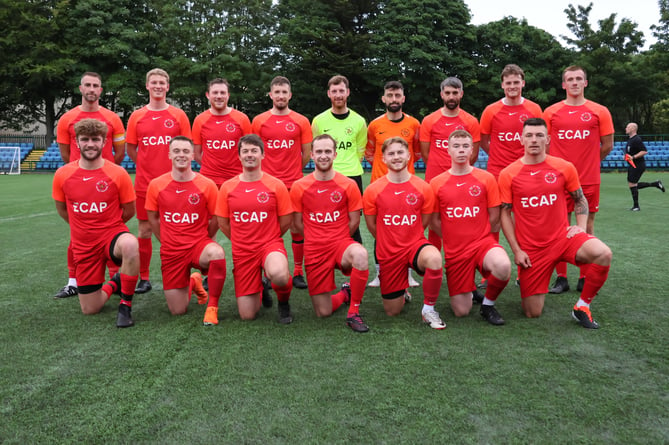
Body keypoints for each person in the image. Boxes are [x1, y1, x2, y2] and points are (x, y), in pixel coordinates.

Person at [499, 118, 612, 329]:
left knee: (603, 253)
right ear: (521, 139)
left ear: (547, 139)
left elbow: (579, 198)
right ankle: (534, 281)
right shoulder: (508, 174)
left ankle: (582, 306)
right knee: (533, 313)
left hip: (563, 238)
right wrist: (516, 250)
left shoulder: (564, 167)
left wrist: (580, 225)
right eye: (529, 135)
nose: (534, 140)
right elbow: (505, 214)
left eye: (539, 135)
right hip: (532, 249)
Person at [52, 118, 139, 327]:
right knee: (91, 309)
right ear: (77, 143)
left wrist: (107, 226)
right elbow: (63, 210)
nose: (90, 144)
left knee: (130, 244)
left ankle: (125, 306)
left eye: (95, 139)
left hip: (111, 236)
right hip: (84, 246)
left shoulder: (118, 173)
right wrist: (84, 228)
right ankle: (114, 283)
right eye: (85, 139)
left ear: (104, 142)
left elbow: (129, 211)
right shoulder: (62, 175)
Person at [53, 72, 126, 299]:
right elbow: (66, 154)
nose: (91, 89)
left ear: (101, 90)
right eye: (88, 85)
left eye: (95, 85)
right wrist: (78, 172)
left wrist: (107, 171)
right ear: (80, 88)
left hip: (107, 181)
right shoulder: (67, 119)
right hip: (78, 181)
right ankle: (73, 281)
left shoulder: (113, 118)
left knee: (114, 231)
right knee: (77, 232)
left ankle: (117, 279)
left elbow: (120, 152)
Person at [543, 65, 614, 294]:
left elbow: (607, 145)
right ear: (563, 84)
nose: (574, 82)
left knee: (587, 227)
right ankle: (561, 278)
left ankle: (584, 276)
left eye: (578, 79)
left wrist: (589, 162)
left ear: (585, 82)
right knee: (559, 228)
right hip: (557, 181)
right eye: (570, 79)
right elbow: (545, 144)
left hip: (588, 179)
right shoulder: (551, 112)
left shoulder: (599, 111)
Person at [362, 137, 446, 329]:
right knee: (392, 311)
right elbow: (372, 225)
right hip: (389, 252)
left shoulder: (423, 187)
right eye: (391, 153)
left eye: (400, 152)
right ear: (383, 158)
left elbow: (425, 221)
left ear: (409, 155)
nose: (396, 157)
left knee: (433, 258)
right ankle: (402, 291)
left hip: (414, 245)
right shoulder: (373, 190)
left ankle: (428, 309)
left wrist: (409, 236)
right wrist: (390, 239)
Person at [290, 134, 370, 332]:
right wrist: (316, 237)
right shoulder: (300, 186)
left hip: (340, 244)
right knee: (322, 311)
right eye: (319, 152)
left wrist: (337, 238)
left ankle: (353, 313)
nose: (323, 156)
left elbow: (354, 221)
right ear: (311, 155)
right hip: (314, 248)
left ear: (335, 154)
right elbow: (297, 224)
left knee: (360, 254)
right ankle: (345, 294)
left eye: (327, 151)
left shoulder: (348, 185)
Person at [430, 130, 510, 325]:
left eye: (466, 146)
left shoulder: (486, 178)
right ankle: (470, 289)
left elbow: (494, 216)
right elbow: (434, 221)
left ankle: (488, 305)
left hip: (482, 244)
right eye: (456, 146)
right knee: (461, 311)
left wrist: (479, 235)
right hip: (456, 251)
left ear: (472, 150)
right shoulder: (436, 183)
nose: (461, 150)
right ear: (448, 150)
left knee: (503, 265)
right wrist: (453, 238)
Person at [145, 136, 227, 325]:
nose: (181, 155)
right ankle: (195, 282)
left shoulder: (206, 184)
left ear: (192, 155)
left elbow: (216, 217)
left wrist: (206, 237)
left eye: (185, 151)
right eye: (176, 151)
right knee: (177, 310)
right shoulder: (156, 185)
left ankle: (212, 308)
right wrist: (165, 240)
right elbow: (152, 217)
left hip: (198, 245)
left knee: (216, 252)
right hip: (172, 251)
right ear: (169, 154)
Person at [215, 134, 294, 323]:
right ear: (239, 157)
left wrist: (270, 237)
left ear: (262, 155)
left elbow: (285, 220)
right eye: (245, 151)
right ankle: (260, 285)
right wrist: (241, 239)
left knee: (280, 275)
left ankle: (283, 302)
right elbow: (223, 222)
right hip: (243, 251)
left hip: (269, 245)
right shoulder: (227, 187)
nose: (249, 154)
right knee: (247, 315)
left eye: (254, 151)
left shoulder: (276, 185)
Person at [126, 68, 191, 294]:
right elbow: (132, 149)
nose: (157, 86)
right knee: (144, 229)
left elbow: (186, 148)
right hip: (145, 184)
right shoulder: (136, 116)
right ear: (147, 86)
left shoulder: (178, 115)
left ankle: (184, 273)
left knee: (179, 228)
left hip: (175, 185)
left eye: (162, 83)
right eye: (153, 82)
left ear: (167, 86)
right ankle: (144, 277)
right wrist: (146, 165)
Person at [479, 64, 543, 289]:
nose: (512, 86)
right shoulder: (491, 110)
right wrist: (501, 160)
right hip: (497, 172)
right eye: (508, 83)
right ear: (502, 85)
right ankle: (489, 272)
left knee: (525, 221)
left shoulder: (534, 109)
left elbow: (540, 138)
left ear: (523, 83)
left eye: (516, 82)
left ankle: (522, 269)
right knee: (494, 220)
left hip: (526, 173)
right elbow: (485, 141)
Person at [252, 76, 312, 291]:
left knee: (297, 227)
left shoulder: (301, 121)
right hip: (266, 185)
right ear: (270, 95)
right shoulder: (259, 121)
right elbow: (255, 152)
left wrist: (292, 170)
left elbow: (306, 153)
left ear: (290, 95)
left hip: (293, 183)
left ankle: (297, 272)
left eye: (284, 92)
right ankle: (263, 271)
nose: (280, 96)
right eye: (276, 92)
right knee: (265, 228)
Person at [365, 80, 422, 288]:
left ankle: (407, 274)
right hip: (380, 185)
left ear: (403, 98)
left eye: (398, 95)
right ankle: (380, 274)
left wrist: (401, 170)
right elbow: (370, 153)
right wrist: (386, 170)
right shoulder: (375, 125)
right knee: (381, 230)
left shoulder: (414, 124)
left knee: (408, 229)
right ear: (384, 99)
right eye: (390, 95)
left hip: (408, 186)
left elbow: (415, 153)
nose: (394, 99)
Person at [419, 77, 480, 251]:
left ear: (461, 94)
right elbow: (425, 153)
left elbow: (473, 154)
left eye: (455, 93)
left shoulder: (471, 121)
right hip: (435, 180)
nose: (451, 97)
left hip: (463, 179)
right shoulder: (430, 120)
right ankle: (435, 263)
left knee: (465, 218)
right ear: (441, 95)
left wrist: (459, 171)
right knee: (434, 221)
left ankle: (466, 254)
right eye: (448, 93)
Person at [312, 75, 367, 245]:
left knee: (353, 224)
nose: (338, 95)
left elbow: (360, 150)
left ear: (347, 92)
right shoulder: (319, 121)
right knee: (326, 219)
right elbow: (317, 150)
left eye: (341, 91)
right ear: (329, 94)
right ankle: (325, 253)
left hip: (352, 176)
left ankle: (356, 264)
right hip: (327, 178)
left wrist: (347, 165)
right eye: (334, 91)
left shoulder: (359, 121)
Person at [192, 78, 252, 187]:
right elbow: (196, 154)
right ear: (207, 95)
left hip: (237, 179)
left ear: (228, 95)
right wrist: (213, 168)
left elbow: (249, 151)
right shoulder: (200, 120)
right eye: (215, 92)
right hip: (209, 180)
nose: (219, 96)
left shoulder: (242, 119)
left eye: (222, 93)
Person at [624, 122, 665, 211]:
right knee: (632, 185)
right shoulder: (630, 140)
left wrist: (633, 157)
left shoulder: (637, 139)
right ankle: (656, 184)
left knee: (632, 185)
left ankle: (636, 206)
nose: (626, 128)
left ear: (633, 129)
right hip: (632, 164)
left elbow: (644, 151)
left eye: (627, 127)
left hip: (638, 165)